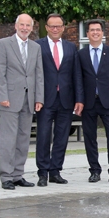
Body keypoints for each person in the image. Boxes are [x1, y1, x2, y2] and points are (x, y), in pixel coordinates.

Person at [0, 13, 44, 190]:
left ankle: (17, 174)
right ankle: (6, 176)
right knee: (8, 139)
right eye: (22, 25)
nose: (24, 28)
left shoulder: (35, 47)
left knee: (23, 138)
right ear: (16, 26)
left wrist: (39, 98)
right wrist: (3, 96)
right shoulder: (3, 44)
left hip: (28, 99)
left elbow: (39, 74)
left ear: (32, 27)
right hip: (10, 99)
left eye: (28, 25)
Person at [35, 13, 84, 187]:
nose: (55, 29)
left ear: (63, 28)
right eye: (51, 26)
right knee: (43, 136)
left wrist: (79, 99)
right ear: (47, 27)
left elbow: (76, 75)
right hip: (45, 99)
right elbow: (34, 74)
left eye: (58, 26)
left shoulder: (71, 47)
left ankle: (55, 171)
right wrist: (36, 97)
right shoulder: (37, 46)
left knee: (62, 136)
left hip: (66, 99)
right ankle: (42, 172)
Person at [77, 19, 109, 184]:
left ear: (102, 33)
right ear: (87, 34)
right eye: (92, 30)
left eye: (98, 30)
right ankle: (95, 171)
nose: (95, 32)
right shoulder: (81, 54)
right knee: (90, 137)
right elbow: (78, 79)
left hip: (108, 102)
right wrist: (79, 101)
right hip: (88, 103)